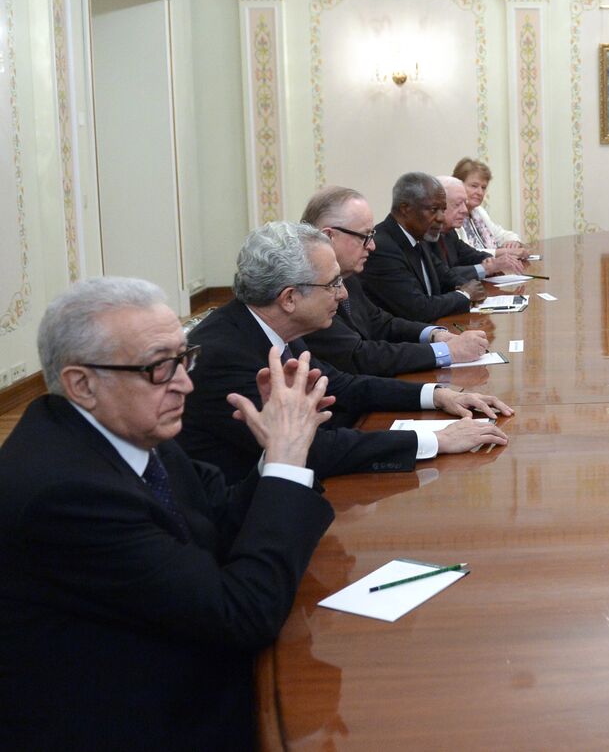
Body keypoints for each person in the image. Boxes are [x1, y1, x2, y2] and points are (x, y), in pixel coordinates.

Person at [0, 277, 334, 749]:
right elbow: (242, 614)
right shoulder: (66, 494)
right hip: (136, 722)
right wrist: (285, 460)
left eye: (184, 358)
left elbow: (217, 519)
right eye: (160, 367)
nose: (186, 383)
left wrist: (274, 457)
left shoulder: (128, 431)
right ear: (81, 383)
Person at [182, 222, 511, 479]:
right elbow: (308, 446)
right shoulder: (223, 354)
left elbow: (341, 384)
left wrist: (437, 395)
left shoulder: (272, 325)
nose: (342, 295)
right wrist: (436, 440)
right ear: (289, 298)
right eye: (333, 284)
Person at [300, 185, 490, 375]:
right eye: (364, 236)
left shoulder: (346, 276)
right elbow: (358, 356)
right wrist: (447, 352)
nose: (372, 246)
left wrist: (434, 335)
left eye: (371, 236)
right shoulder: (307, 287)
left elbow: (379, 322)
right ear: (328, 236)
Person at [361, 172, 517, 322]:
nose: (441, 218)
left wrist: (466, 285)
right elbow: (417, 309)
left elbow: (444, 275)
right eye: (434, 210)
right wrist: (465, 295)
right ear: (405, 209)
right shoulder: (383, 247)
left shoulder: (418, 235)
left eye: (443, 209)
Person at [430, 175, 525, 280]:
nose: (465, 210)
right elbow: (443, 276)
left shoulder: (449, 233)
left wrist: (495, 261)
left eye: (464, 203)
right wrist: (487, 268)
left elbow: (471, 255)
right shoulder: (426, 236)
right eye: (457, 204)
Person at [453, 157, 526, 255]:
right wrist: (502, 252)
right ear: (458, 184)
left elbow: (501, 234)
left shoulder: (479, 211)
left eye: (483, 187)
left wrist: (514, 242)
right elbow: (466, 253)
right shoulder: (452, 215)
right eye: (474, 186)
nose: (480, 192)